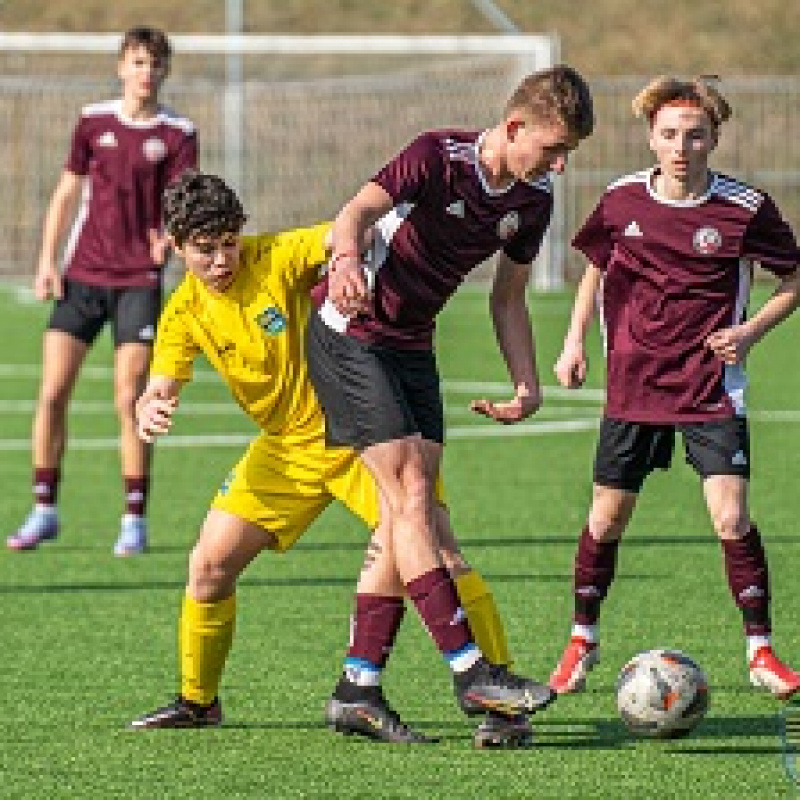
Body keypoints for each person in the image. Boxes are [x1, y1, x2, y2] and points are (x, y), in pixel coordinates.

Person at [129, 170, 542, 747]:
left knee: (439, 550)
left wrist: (357, 264)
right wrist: (152, 405)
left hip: (358, 434)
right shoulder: (182, 311)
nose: (222, 259)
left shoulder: (276, 255)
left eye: (229, 242)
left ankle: (502, 700)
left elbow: (350, 233)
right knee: (208, 566)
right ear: (175, 246)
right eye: (205, 250)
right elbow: (162, 382)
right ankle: (199, 701)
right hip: (284, 451)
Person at [305, 65, 594, 724]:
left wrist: (526, 383)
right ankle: (471, 673)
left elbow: (509, 298)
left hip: (411, 345)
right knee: (410, 495)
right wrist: (346, 261)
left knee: (406, 514)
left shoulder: (532, 201)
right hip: (350, 335)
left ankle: (358, 685)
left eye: (568, 154)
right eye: (553, 149)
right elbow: (356, 212)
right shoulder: (437, 156)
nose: (560, 165)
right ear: (515, 127)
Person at [548, 76, 800, 699]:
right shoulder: (621, 200)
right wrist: (574, 340)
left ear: (714, 138)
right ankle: (582, 638)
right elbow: (595, 270)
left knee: (730, 515)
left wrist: (748, 332)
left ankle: (761, 650)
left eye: (694, 135)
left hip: (710, 386)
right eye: (669, 135)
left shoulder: (744, 209)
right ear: (651, 137)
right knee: (605, 521)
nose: (681, 147)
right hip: (633, 385)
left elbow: (793, 280)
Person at [6, 26, 197, 556]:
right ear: (121, 67)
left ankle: (133, 518)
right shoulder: (93, 121)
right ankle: (44, 507)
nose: (146, 73)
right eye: (137, 62)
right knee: (51, 393)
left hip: (138, 280)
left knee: (130, 398)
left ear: (165, 71)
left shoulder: (179, 133)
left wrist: (170, 238)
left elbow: (182, 198)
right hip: (83, 274)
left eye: (155, 64)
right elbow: (68, 191)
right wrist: (47, 260)